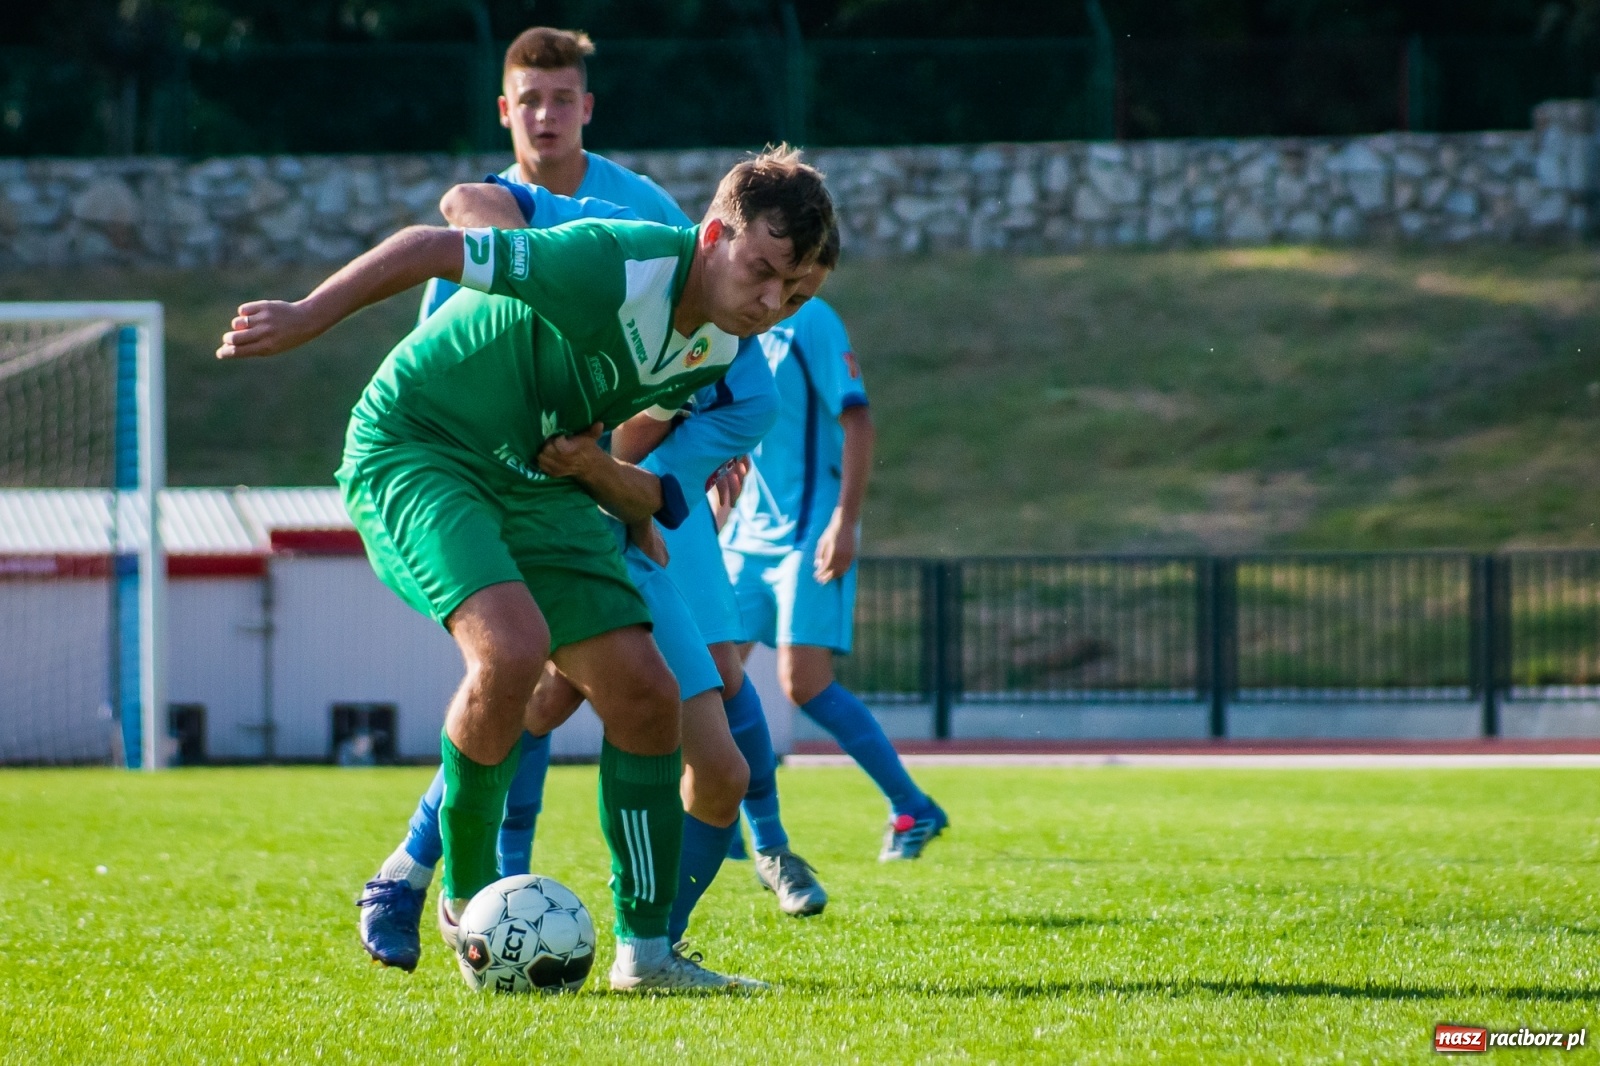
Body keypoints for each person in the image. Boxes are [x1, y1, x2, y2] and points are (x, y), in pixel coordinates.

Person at [217, 147, 835, 990]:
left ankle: (646, 957)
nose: (771, 302)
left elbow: (614, 446)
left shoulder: (719, 349)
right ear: (716, 234)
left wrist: (627, 502)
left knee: (647, 696)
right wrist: (307, 315)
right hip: (422, 445)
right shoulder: (612, 261)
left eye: (794, 294)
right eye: (763, 272)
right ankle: (468, 904)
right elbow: (433, 244)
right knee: (511, 650)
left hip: (540, 481)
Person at [723, 296, 949, 862]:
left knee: (804, 683)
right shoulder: (724, 317)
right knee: (709, 677)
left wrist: (844, 523)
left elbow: (859, 422)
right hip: (743, 537)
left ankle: (911, 805)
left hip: (809, 533)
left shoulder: (812, 320)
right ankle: (719, 822)